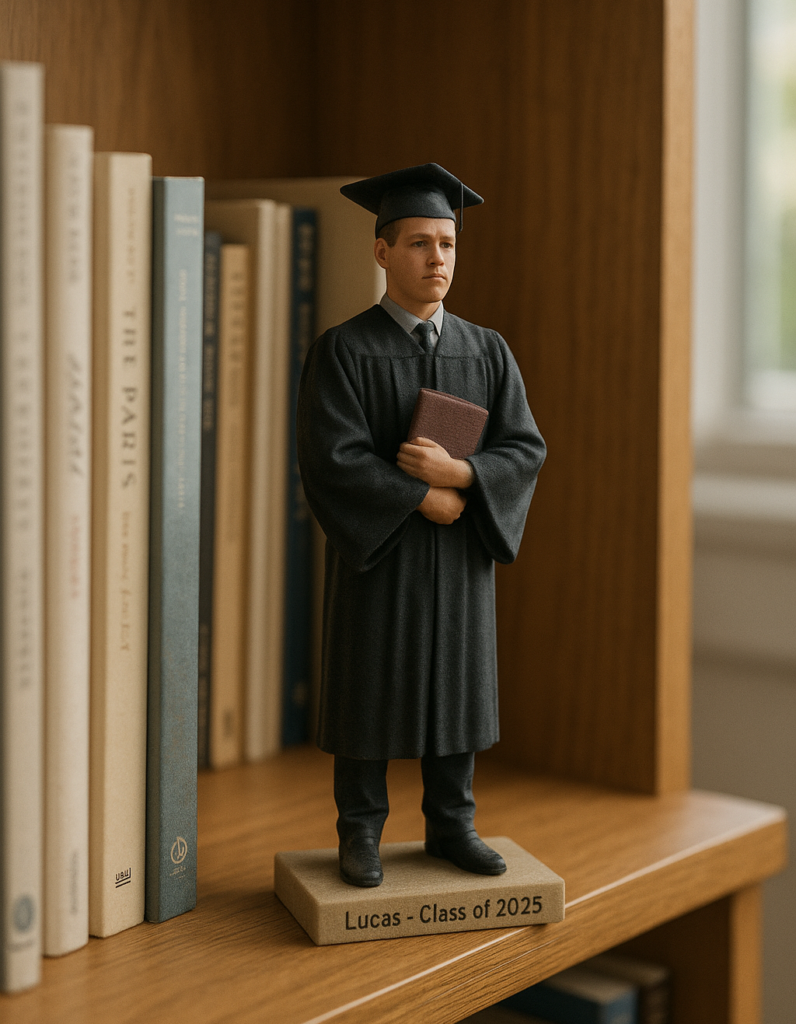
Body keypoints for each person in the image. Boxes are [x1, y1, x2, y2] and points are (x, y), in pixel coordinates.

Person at [297, 163, 546, 888]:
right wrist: (417, 499)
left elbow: (525, 448)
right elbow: (329, 459)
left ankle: (451, 826)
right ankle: (361, 832)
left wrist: (461, 478)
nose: (438, 259)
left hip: (459, 562)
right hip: (382, 560)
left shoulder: (488, 350)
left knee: (456, 691)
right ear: (382, 253)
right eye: (419, 244)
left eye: (448, 244)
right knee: (369, 689)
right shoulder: (343, 350)